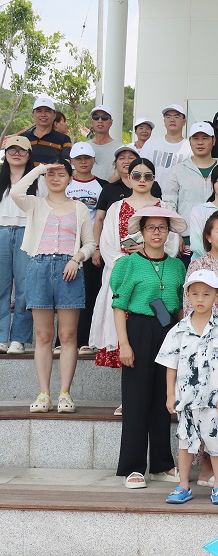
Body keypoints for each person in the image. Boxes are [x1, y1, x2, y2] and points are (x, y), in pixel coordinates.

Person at [111, 206, 188, 489]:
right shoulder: (128, 264)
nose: (157, 233)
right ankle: (133, 466)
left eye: (162, 227)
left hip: (168, 330)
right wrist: (124, 344)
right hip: (139, 330)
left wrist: (184, 340)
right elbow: (118, 306)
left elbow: (179, 307)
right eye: (151, 227)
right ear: (142, 231)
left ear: (169, 232)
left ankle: (161, 463)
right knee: (136, 400)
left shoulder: (177, 266)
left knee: (164, 398)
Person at [15, 160, 95, 413]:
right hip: (39, 267)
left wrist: (76, 259)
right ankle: (43, 393)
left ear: (70, 178)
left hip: (69, 270)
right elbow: (16, 191)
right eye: (51, 174)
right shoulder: (35, 204)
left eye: (61, 174)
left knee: (68, 336)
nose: (55, 178)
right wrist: (40, 169)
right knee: (43, 336)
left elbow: (90, 244)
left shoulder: (79, 208)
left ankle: (64, 394)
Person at [157, 269, 218, 506]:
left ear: (217, 296)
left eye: (206, 294)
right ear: (187, 296)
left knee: (217, 442)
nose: (200, 299)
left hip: (215, 399)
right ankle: (183, 485)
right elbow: (171, 364)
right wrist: (170, 394)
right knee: (185, 442)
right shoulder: (179, 330)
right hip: (187, 398)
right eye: (195, 294)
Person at [92, 157, 173, 378]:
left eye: (147, 176)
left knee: (156, 333)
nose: (142, 180)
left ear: (154, 179)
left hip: (156, 278)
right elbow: (107, 245)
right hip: (125, 276)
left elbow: (173, 243)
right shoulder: (116, 207)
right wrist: (133, 264)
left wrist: (148, 255)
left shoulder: (164, 207)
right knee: (124, 335)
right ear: (128, 178)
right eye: (136, 175)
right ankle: (129, 392)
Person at [66, 142, 107, 354]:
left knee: (90, 293)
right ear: (71, 161)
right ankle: (62, 340)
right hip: (66, 245)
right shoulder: (64, 182)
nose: (83, 162)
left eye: (87, 158)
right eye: (78, 158)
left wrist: (98, 247)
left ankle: (85, 340)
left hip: (91, 245)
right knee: (66, 295)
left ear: (94, 160)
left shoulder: (103, 186)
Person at [0, 136, 34, 355]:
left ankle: (19, 339)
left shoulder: (38, 181)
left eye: (22, 150)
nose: (16, 154)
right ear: (6, 154)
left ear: (29, 155)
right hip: (1, 231)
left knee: (24, 289)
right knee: (1, 288)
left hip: (27, 233)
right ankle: (0, 337)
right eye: (12, 150)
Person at [162, 121, 218, 222]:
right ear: (190, 141)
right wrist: (177, 229)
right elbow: (169, 204)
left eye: (205, 138)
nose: (200, 143)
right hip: (187, 230)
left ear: (213, 141)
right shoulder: (178, 171)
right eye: (195, 138)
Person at [140, 103, 192, 182]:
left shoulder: (190, 147)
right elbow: (141, 169)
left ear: (184, 121)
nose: (172, 120)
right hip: (152, 189)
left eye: (176, 116)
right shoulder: (151, 143)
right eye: (168, 116)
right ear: (164, 121)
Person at [21, 96, 71, 166]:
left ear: (54, 115)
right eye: (39, 111)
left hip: (53, 174)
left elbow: (65, 165)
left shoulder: (64, 140)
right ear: (33, 115)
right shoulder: (22, 138)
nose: (43, 115)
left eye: (47, 111)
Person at [87, 105, 118, 180]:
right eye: (96, 117)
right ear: (92, 123)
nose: (100, 121)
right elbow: (76, 171)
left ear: (111, 122)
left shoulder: (120, 148)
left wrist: (107, 186)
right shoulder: (85, 147)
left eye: (104, 117)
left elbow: (120, 173)